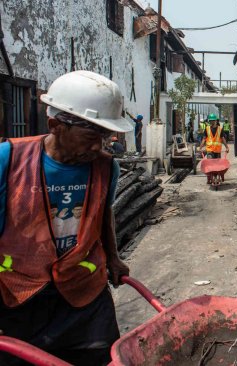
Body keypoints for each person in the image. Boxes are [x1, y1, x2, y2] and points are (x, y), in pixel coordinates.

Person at [0, 70, 131, 366]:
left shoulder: (106, 167)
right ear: (56, 125)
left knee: (103, 357)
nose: (99, 147)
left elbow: (103, 212)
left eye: (104, 136)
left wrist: (112, 257)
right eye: (91, 136)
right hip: (19, 293)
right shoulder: (8, 160)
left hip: (84, 291)